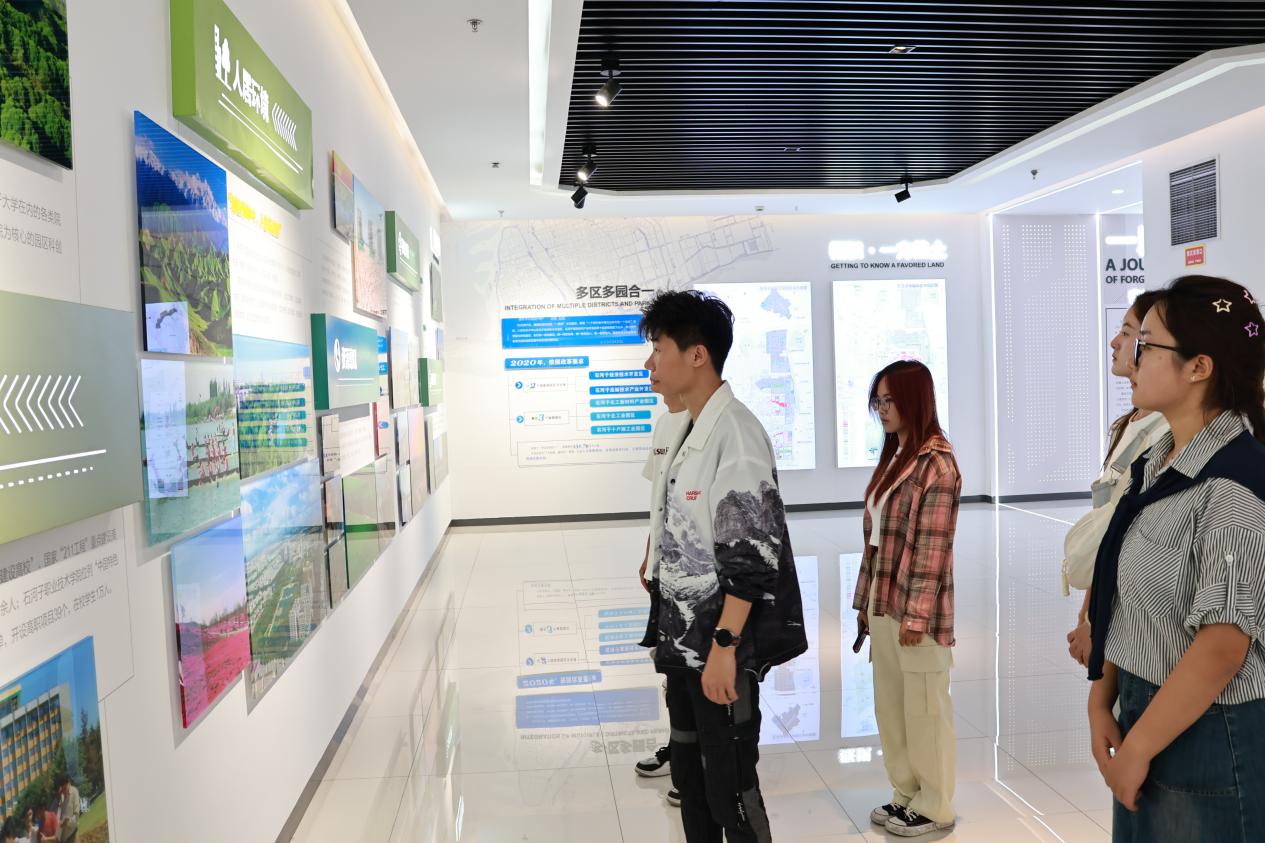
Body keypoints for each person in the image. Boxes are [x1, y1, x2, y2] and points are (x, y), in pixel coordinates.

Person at [1086, 275, 1265, 841]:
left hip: (1209, 731)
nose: (1130, 355)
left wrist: (1138, 747)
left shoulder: (1234, 485)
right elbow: (1125, 595)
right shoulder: (1158, 463)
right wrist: (1102, 701)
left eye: (1146, 344)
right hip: (1147, 712)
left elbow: (1222, 646)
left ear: (1199, 368)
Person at [637, 289, 807, 843]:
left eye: (658, 348)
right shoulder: (681, 425)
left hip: (719, 646)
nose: (649, 363)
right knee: (690, 779)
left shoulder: (736, 433)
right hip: (683, 644)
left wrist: (725, 649)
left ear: (697, 355)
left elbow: (753, 558)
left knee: (729, 788)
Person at [853, 360, 961, 837]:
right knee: (892, 708)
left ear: (915, 399)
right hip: (884, 602)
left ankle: (935, 806)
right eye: (878, 400)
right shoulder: (896, 456)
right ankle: (906, 793)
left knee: (925, 711)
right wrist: (864, 603)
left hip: (919, 612)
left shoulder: (937, 463)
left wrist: (915, 617)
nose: (882, 409)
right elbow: (875, 543)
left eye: (890, 399)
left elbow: (932, 551)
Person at [1064, 292, 1168, 665]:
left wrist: (1097, 624)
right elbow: (1107, 528)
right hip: (1113, 611)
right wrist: (1088, 614)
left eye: (1127, 332)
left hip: (1137, 627)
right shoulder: (1128, 423)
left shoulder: (1167, 433)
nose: (1115, 342)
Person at [634, 380, 691, 807]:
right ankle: (680, 749)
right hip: (663, 571)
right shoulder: (664, 423)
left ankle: (694, 761)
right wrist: (650, 553)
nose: (650, 366)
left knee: (689, 671)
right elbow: (660, 503)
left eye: (658, 351)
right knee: (671, 669)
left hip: (691, 577)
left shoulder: (704, 425)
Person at [55, 777, 77, 843]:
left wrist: (67, 821)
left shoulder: (73, 793)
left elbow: (76, 816)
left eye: (65, 789)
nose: (63, 791)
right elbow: (58, 817)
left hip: (71, 835)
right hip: (62, 838)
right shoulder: (60, 799)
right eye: (62, 789)